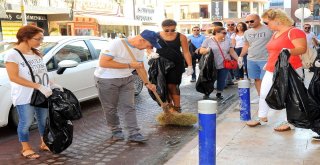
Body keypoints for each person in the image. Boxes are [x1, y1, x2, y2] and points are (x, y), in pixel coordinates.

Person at [4, 25, 61, 159]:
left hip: (42, 93)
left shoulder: (36, 53)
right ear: (25, 38)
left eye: (42, 38)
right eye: (38, 38)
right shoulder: (12, 54)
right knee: (26, 122)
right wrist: (37, 86)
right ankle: (25, 147)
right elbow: (14, 77)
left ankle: (44, 142)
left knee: (44, 120)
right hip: (25, 95)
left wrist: (51, 84)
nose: (40, 42)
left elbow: (41, 73)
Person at [246, 9, 307, 132]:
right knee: (264, 93)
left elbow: (302, 48)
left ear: (277, 20)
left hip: (290, 69)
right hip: (272, 68)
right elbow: (273, 51)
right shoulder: (275, 33)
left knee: (290, 96)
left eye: (267, 22)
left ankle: (290, 122)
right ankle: (261, 117)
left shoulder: (294, 32)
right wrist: (269, 63)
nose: (266, 25)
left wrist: (289, 51)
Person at [94, 30, 157, 143]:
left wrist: (148, 83)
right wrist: (128, 65)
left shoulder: (139, 49)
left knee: (129, 106)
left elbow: (140, 67)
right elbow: (103, 63)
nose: (150, 48)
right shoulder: (116, 44)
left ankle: (134, 133)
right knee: (110, 108)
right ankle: (116, 131)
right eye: (150, 45)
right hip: (107, 79)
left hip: (127, 79)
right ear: (141, 40)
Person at [155, 19, 193, 112]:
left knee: (172, 85)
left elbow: (186, 52)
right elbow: (148, 46)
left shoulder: (181, 36)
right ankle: (169, 108)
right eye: (167, 30)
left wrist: (190, 66)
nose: (170, 32)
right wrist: (150, 53)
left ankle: (177, 107)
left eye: (172, 30)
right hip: (161, 64)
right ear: (162, 28)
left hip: (176, 64)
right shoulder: (156, 36)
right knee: (163, 86)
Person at [238, 14, 273, 104]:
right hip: (251, 59)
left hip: (266, 59)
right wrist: (241, 56)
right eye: (247, 22)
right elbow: (246, 45)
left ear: (259, 19)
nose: (249, 23)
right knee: (256, 79)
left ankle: (269, 98)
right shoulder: (247, 32)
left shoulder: (269, 29)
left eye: (252, 21)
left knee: (266, 80)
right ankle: (260, 97)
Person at [199, 26, 239, 100]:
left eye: (226, 33)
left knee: (222, 79)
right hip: (212, 64)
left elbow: (232, 51)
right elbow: (201, 51)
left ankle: (219, 93)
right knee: (210, 78)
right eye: (223, 33)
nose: (225, 34)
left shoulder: (228, 40)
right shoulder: (208, 40)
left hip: (225, 63)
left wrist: (238, 59)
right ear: (216, 33)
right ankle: (207, 92)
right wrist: (207, 50)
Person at [225, 20, 237, 85]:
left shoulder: (237, 32)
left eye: (232, 24)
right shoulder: (224, 32)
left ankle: (235, 77)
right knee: (228, 63)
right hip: (226, 49)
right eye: (228, 25)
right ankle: (230, 79)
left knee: (235, 63)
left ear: (234, 25)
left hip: (235, 49)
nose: (230, 26)